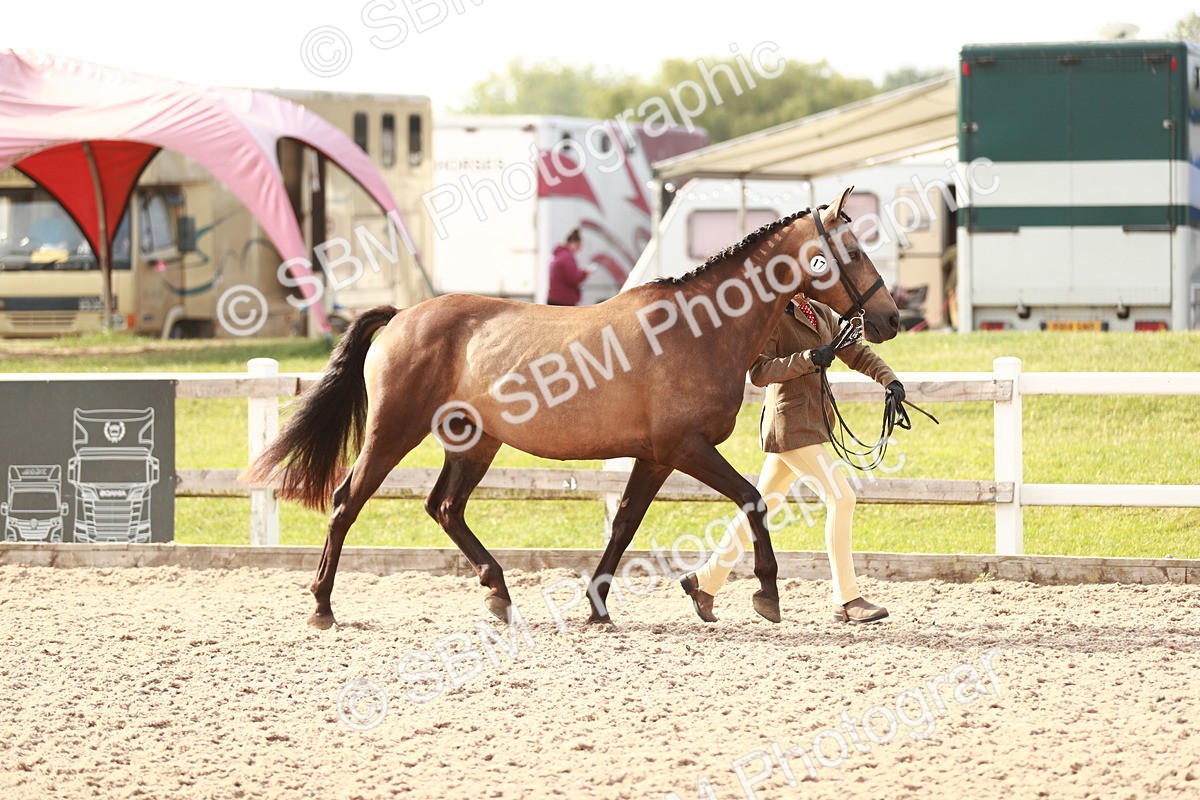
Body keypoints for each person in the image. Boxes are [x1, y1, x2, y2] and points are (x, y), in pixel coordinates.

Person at [680, 291, 905, 624]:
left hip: (811, 422)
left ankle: (706, 581)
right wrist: (810, 358)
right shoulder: (771, 316)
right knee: (842, 498)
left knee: (760, 507)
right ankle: (846, 599)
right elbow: (759, 371)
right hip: (789, 424)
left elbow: (854, 352)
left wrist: (890, 380)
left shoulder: (819, 311)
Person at [546, 228, 592, 306]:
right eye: (579, 245)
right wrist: (586, 272)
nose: (580, 248)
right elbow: (575, 278)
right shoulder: (567, 258)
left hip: (554, 298)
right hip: (564, 301)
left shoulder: (558, 255)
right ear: (574, 243)